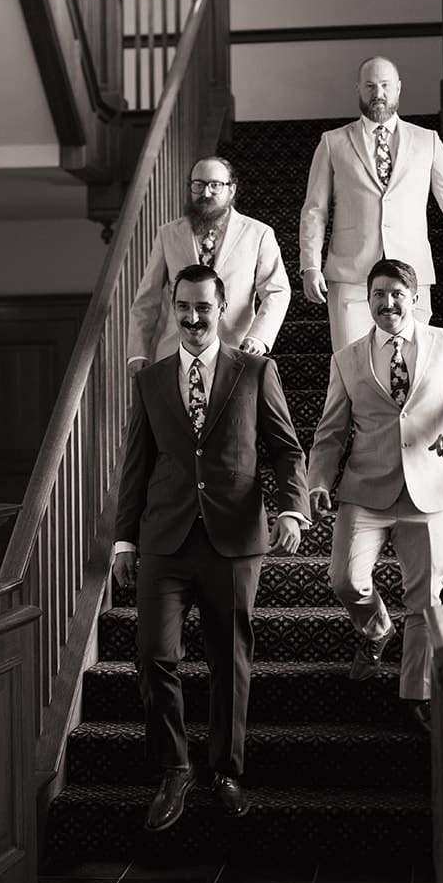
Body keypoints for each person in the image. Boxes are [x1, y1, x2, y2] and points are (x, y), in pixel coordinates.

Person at [113, 263, 310, 831]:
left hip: (235, 539)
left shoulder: (255, 370)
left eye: (204, 307)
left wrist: (292, 507)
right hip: (164, 540)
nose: (194, 317)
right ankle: (175, 768)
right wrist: (126, 537)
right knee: (154, 655)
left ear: (222, 309)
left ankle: (224, 771)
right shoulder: (150, 381)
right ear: (173, 310)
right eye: (184, 307)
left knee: (229, 661)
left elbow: (285, 448)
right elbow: (136, 465)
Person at [307, 258, 443, 730]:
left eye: (396, 293)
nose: (387, 302)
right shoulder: (347, 358)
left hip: (428, 488)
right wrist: (317, 481)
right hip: (365, 489)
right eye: (378, 295)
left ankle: (417, 693)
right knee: (345, 581)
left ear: (413, 298)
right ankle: (375, 628)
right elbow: (331, 432)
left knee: (425, 599)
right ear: (366, 301)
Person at [299, 56, 443, 349]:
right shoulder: (333, 142)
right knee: (353, 372)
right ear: (359, 89)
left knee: (408, 370)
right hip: (351, 278)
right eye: (370, 86)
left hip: (411, 277)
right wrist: (310, 266)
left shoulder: (427, 140)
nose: (378, 93)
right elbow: (315, 210)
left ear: (398, 88)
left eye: (385, 85)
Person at [127, 155, 290, 372]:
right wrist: (138, 351)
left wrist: (259, 337)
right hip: (176, 354)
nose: (205, 192)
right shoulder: (167, 234)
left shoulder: (259, 234)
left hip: (236, 352)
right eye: (198, 185)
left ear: (231, 189)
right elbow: (147, 299)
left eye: (215, 185)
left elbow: (277, 291)